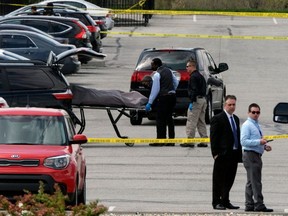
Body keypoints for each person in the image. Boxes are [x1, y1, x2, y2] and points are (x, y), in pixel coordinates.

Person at [210, 95, 242, 210]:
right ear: (225, 105)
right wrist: (215, 154)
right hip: (222, 154)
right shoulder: (218, 118)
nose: (232, 107)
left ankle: (225, 200)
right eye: (230, 105)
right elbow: (214, 138)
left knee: (229, 179)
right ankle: (216, 202)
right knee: (218, 179)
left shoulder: (236, 119)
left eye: (234, 104)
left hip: (233, 154)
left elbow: (237, 136)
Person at [241, 103, 273, 212]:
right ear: (249, 113)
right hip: (250, 155)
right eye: (253, 112)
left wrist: (264, 146)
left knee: (251, 181)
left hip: (256, 154)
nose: (255, 114)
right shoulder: (247, 125)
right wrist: (259, 141)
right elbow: (244, 141)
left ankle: (249, 204)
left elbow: (256, 140)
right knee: (256, 182)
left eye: (257, 112)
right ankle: (259, 204)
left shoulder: (256, 124)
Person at [145, 58, 179, 146]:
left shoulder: (157, 75)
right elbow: (176, 81)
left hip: (164, 98)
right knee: (169, 118)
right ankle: (171, 141)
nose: (151, 66)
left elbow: (155, 89)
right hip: (172, 97)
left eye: (152, 64)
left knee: (160, 119)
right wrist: (172, 90)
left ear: (156, 65)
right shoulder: (169, 71)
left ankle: (160, 140)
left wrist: (150, 102)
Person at [180, 59, 208, 148]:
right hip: (203, 100)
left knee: (191, 120)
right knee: (201, 121)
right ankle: (204, 141)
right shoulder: (200, 76)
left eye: (187, 66)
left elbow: (194, 90)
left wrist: (191, 101)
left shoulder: (193, 77)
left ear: (192, 66)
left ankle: (190, 141)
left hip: (196, 101)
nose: (186, 68)